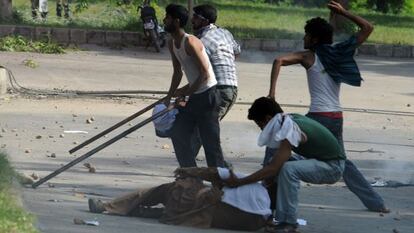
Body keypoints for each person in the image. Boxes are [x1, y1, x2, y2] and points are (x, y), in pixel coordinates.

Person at [266, 1, 388, 213]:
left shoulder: (308, 56)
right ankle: (376, 203)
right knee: (340, 162)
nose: (303, 38)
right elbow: (368, 28)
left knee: (276, 144)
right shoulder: (338, 53)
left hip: (317, 118)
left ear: (313, 39)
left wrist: (271, 94)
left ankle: (268, 198)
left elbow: (278, 60)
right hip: (336, 118)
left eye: (306, 35)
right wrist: (343, 13)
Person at [224, 97, 346, 233]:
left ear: (268, 118)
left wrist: (240, 182)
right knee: (277, 165)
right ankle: (268, 212)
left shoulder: (289, 128)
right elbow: (273, 166)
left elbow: (273, 169)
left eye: (260, 125)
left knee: (288, 170)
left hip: (333, 167)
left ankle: (288, 223)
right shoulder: (288, 119)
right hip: (321, 161)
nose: (261, 129)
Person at [88, 167, 271, 231]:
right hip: (202, 218)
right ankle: (142, 211)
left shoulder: (257, 184)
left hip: (201, 204)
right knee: (180, 207)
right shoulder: (263, 217)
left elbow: (214, 172)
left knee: (170, 189)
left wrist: (188, 171)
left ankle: (107, 206)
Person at [162, 4, 225, 168]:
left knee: (211, 146)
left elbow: (205, 74)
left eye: (167, 18)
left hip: (208, 96)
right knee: (177, 133)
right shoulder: (171, 43)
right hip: (194, 95)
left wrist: (185, 94)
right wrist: (169, 96)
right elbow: (177, 72)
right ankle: (190, 175)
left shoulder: (190, 41)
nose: (164, 20)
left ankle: (222, 183)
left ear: (176, 21)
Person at [192, 4, 241, 120]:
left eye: (195, 17)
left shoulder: (204, 40)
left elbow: (200, 70)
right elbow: (237, 51)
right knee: (205, 129)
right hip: (230, 88)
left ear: (204, 21)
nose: (192, 19)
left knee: (203, 130)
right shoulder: (224, 32)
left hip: (218, 90)